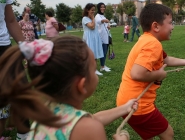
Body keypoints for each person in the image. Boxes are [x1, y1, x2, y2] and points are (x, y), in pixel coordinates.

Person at [0, 36, 138, 140]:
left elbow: (93, 119)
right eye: (93, 70)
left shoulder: (46, 113)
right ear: (82, 85)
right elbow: (91, 124)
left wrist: (125, 108)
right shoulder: (89, 129)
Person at [116, 3, 185, 140]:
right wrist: (159, 75)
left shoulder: (146, 39)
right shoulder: (153, 44)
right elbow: (136, 73)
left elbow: (166, 60)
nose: (172, 27)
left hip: (127, 101)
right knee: (168, 134)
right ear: (156, 26)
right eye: (170, 23)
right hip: (138, 105)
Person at [0, 0, 26, 140]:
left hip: (4, 46)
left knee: (22, 91)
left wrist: (27, 48)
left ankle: (24, 134)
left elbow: (10, 21)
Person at [82, 3, 104, 75]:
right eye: (92, 10)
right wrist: (93, 18)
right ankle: (90, 70)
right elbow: (92, 26)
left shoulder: (92, 18)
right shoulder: (85, 18)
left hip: (95, 37)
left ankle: (94, 69)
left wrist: (92, 18)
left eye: (94, 10)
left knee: (95, 53)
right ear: (87, 10)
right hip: (89, 38)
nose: (93, 11)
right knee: (90, 54)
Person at [95, 2, 111, 72]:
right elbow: (98, 21)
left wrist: (108, 26)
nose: (103, 8)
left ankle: (103, 65)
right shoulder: (97, 16)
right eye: (101, 7)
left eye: (104, 7)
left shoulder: (103, 16)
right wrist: (104, 20)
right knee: (103, 52)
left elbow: (105, 24)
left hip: (106, 36)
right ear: (98, 8)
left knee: (105, 51)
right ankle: (102, 67)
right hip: (101, 37)